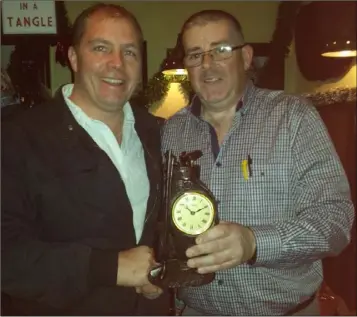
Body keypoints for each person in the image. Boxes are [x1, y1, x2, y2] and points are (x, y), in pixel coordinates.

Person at [161, 9, 355, 316]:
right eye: (195, 55)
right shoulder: (172, 131)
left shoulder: (294, 117)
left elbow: (335, 220)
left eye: (220, 50)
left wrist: (255, 243)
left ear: (246, 57)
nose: (207, 65)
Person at [1, 3, 167, 316]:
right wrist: (109, 267)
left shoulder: (153, 130)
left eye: (129, 52)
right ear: (74, 58)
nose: (117, 63)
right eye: (101, 48)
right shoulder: (16, 138)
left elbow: (155, 227)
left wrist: (161, 271)